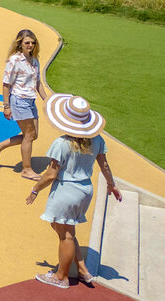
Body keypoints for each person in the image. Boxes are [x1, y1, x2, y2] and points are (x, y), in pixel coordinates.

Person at [27, 94, 120, 289]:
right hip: (85, 190)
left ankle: (61, 277)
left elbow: (51, 174)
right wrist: (111, 184)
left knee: (65, 235)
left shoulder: (61, 143)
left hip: (66, 190)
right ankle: (83, 270)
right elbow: (104, 165)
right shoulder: (97, 140)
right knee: (65, 228)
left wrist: (35, 190)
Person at [0, 29, 49, 180]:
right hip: (19, 101)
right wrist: (6, 106)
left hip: (30, 100)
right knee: (29, 135)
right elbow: (6, 85)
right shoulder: (14, 60)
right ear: (20, 43)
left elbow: (38, 83)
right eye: (27, 42)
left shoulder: (35, 60)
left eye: (33, 43)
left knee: (33, 135)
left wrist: (47, 100)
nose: (30, 45)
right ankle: (26, 169)